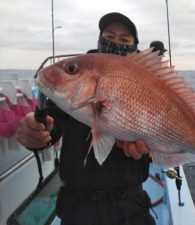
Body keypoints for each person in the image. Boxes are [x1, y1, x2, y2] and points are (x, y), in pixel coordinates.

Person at [16, 12, 155, 225]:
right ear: (99, 39)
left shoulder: (148, 82)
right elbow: (52, 123)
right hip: (78, 210)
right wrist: (37, 131)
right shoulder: (78, 79)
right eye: (109, 36)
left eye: (125, 39)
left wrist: (152, 148)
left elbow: (162, 134)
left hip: (131, 208)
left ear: (135, 46)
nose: (116, 42)